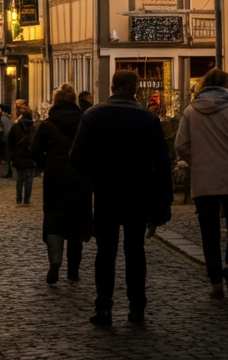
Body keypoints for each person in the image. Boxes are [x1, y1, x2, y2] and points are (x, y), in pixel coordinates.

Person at [69, 70, 173, 326]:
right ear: (135, 90)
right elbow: (162, 164)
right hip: (138, 195)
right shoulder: (148, 120)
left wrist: (97, 175)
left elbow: (76, 156)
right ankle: (137, 308)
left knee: (105, 252)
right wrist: (164, 202)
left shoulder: (93, 115)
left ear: (112, 87)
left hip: (106, 195)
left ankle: (104, 307)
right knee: (135, 252)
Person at [175, 69, 228, 299]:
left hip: (202, 180)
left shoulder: (191, 110)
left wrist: (195, 161)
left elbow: (181, 146)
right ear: (226, 86)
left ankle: (215, 283)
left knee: (208, 233)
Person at [30, 84, 92, 284]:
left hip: (55, 178)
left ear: (56, 102)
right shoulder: (84, 123)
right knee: (76, 223)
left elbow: (34, 151)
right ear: (74, 100)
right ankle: (73, 271)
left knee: (54, 221)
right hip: (80, 177)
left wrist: (45, 163)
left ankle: (55, 261)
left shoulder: (47, 125)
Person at [8, 104, 37, 204]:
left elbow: (10, 140)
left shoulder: (15, 127)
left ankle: (19, 198)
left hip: (18, 156)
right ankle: (27, 199)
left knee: (19, 179)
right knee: (29, 179)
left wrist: (13, 152)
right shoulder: (34, 128)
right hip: (30, 156)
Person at [0, 104, 16, 178]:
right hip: (10, 138)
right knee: (8, 156)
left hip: (5, 138)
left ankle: (6, 171)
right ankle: (9, 171)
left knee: (5, 156)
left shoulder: (2, 119)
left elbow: (3, 130)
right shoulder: (9, 118)